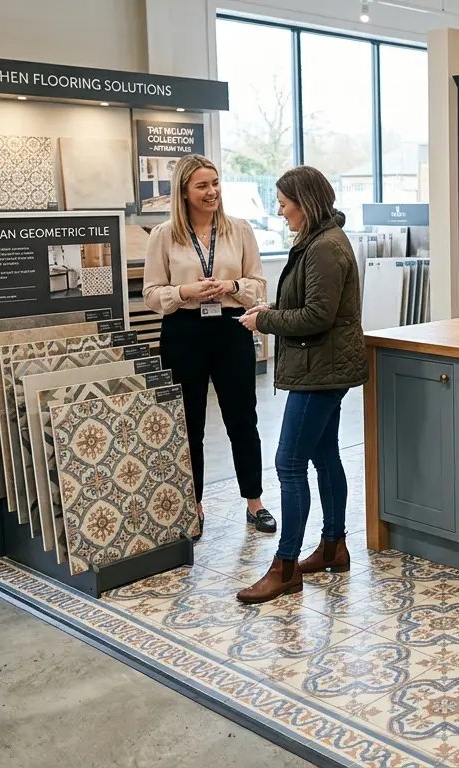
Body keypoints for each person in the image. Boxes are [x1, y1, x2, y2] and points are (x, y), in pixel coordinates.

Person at [235, 166, 367, 604]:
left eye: (283, 202)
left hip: (320, 372)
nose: (280, 210)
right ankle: (333, 547)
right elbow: (313, 304)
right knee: (325, 455)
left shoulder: (325, 247)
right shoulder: (319, 240)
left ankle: (286, 566)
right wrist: (273, 307)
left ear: (304, 202)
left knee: (289, 463)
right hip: (322, 368)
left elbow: (318, 317)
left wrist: (265, 320)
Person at [143, 154, 274, 536]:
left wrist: (231, 287)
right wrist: (186, 291)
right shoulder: (163, 235)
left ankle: (255, 502)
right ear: (183, 192)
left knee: (242, 420)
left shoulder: (240, 230)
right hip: (183, 332)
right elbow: (151, 294)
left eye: (215, 183)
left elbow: (259, 286)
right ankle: (193, 505)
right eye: (202, 185)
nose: (212, 191)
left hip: (231, 330)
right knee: (189, 425)